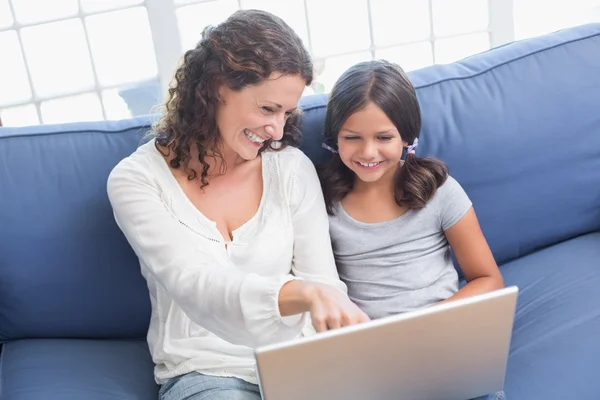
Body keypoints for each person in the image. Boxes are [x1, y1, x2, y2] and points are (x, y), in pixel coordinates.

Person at [107, 10, 369, 400]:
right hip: (208, 372)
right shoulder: (136, 181)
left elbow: (325, 284)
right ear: (216, 87)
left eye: (286, 113)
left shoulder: (290, 169)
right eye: (267, 109)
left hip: (298, 364)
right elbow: (197, 286)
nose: (277, 130)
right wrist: (305, 294)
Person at [318, 60, 506, 400]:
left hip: (443, 342)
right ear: (335, 138)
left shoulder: (440, 190)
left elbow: (488, 279)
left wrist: (427, 325)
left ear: (407, 136)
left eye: (384, 137)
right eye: (352, 138)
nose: (368, 152)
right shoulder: (322, 202)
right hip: (371, 358)